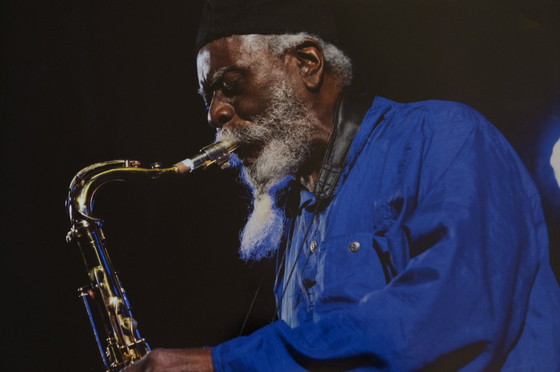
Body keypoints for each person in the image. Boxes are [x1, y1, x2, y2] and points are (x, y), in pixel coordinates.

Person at [124, 0, 560, 370]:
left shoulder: (445, 135)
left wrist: (224, 363)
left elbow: (446, 314)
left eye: (230, 86)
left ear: (308, 64)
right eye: (208, 98)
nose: (215, 114)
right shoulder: (293, 217)